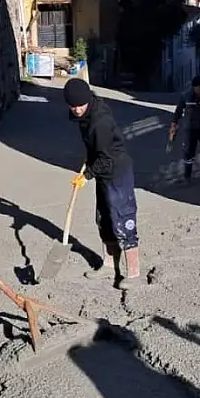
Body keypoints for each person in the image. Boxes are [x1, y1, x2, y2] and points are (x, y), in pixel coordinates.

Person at [63, 79, 143, 290]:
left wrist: (87, 175)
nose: (77, 110)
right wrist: (89, 163)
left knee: (122, 216)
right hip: (102, 171)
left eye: (80, 105)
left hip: (117, 172)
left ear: (88, 100)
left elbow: (106, 158)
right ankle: (109, 265)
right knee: (104, 218)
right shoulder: (85, 115)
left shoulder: (100, 121)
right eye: (73, 106)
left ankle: (134, 273)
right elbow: (96, 149)